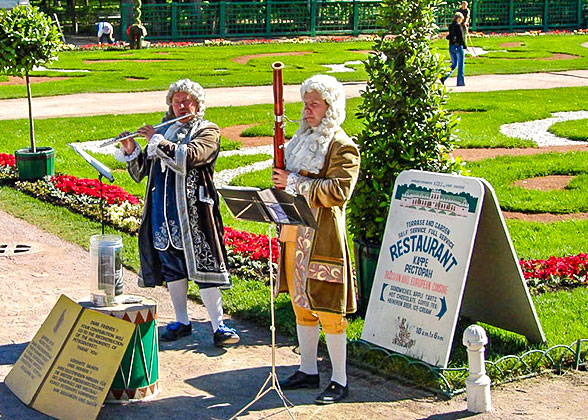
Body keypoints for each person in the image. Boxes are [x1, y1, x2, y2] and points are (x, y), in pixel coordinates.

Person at [115, 79, 240, 347]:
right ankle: (182, 321)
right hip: (163, 215)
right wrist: (131, 149)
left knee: (205, 268)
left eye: (187, 101)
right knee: (172, 268)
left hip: (194, 213)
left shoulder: (207, 130)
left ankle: (219, 326)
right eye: (176, 101)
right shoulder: (168, 130)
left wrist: (155, 141)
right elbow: (142, 172)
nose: (181, 106)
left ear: (197, 104)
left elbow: (191, 157)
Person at [272, 75, 360, 404]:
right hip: (294, 234)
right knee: (300, 305)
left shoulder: (342, 145)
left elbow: (338, 191)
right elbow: (288, 183)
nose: (307, 110)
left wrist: (293, 181)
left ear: (330, 107)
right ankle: (307, 369)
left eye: (315, 104)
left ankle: (340, 378)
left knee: (328, 307)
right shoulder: (300, 139)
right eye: (305, 103)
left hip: (322, 238)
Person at [441, 12, 466, 87]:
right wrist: (465, 46)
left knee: (454, 64)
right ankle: (460, 82)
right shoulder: (458, 26)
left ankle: (443, 77)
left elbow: (450, 36)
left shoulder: (451, 26)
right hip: (458, 46)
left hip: (451, 46)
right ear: (458, 18)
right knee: (460, 65)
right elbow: (461, 37)